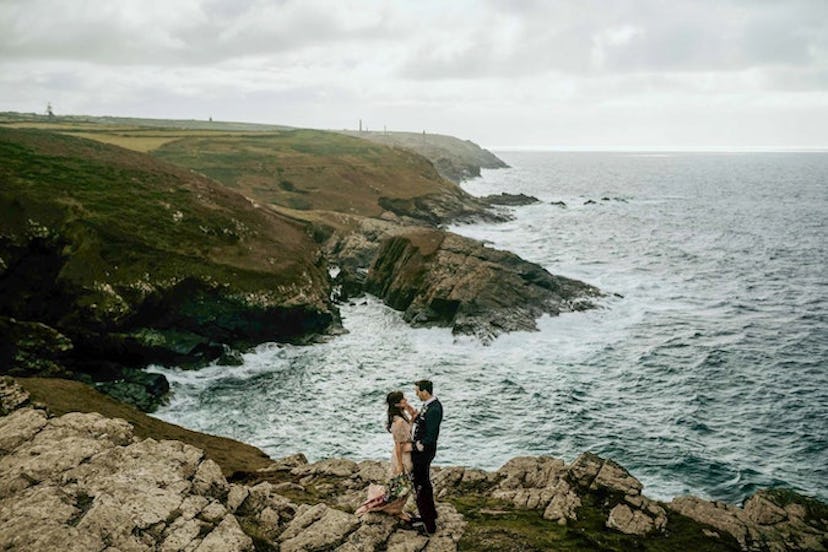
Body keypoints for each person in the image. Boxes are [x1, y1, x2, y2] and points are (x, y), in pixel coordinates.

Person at [354, 391, 414, 520]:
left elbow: (411, 424)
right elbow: (399, 445)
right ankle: (393, 509)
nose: (406, 399)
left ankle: (397, 509)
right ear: (397, 404)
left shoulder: (402, 415)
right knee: (401, 485)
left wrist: (409, 411)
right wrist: (399, 465)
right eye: (403, 399)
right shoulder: (398, 422)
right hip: (402, 456)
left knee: (405, 484)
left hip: (407, 453)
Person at [409, 379, 443, 536]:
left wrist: (413, 446)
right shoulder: (429, 405)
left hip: (424, 453)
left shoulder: (434, 409)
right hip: (422, 452)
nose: (416, 394)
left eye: (417, 391)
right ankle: (429, 515)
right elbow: (422, 422)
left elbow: (431, 436)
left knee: (421, 486)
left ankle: (429, 525)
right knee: (424, 484)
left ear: (424, 391)